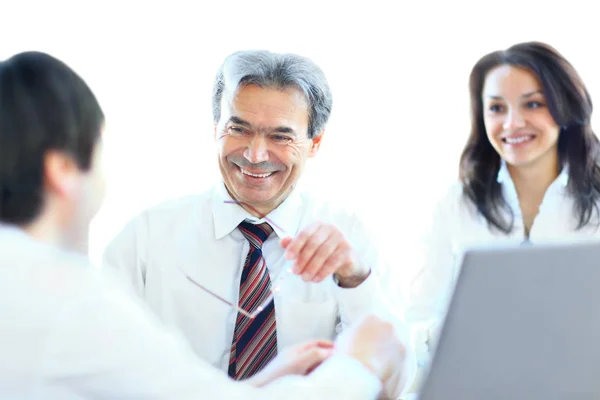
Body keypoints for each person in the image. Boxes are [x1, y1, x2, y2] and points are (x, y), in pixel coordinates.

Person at [0, 51, 410, 399]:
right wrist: (362, 364)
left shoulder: (350, 238)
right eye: (238, 128)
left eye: (281, 136)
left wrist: (355, 283)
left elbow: (406, 376)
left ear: (314, 143)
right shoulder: (135, 245)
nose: (254, 154)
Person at [406, 41, 600, 366]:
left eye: (533, 104)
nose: (512, 123)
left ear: (564, 106)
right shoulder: (457, 204)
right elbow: (418, 320)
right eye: (496, 108)